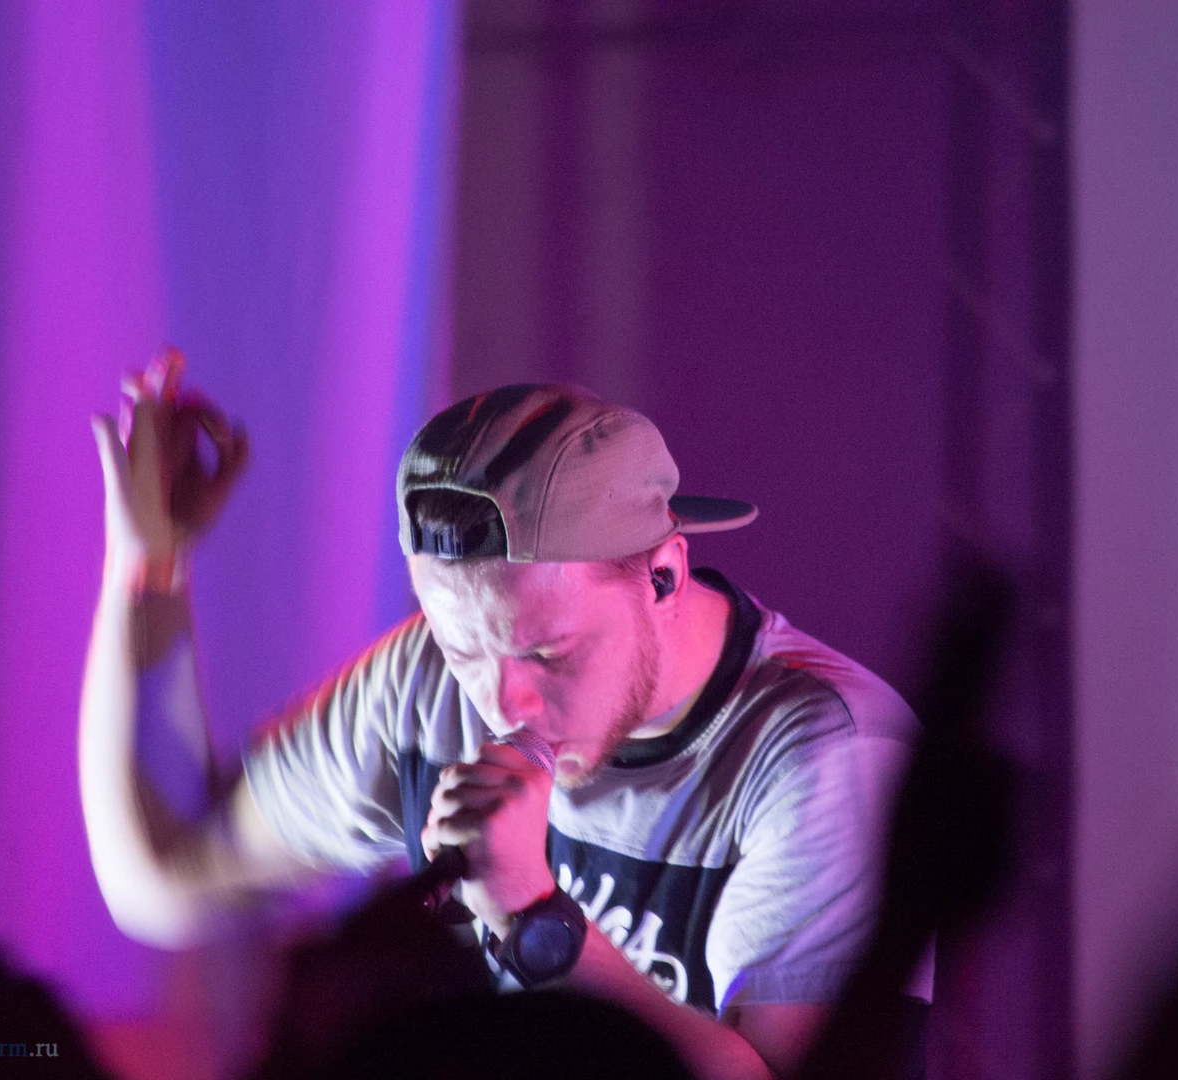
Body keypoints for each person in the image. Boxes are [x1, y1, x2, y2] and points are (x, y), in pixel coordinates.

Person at [81, 350, 923, 1080]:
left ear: (662, 577)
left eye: (548, 653)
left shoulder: (828, 758)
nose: (502, 701)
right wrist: (147, 565)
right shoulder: (426, 684)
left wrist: (532, 916)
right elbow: (163, 873)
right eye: (464, 650)